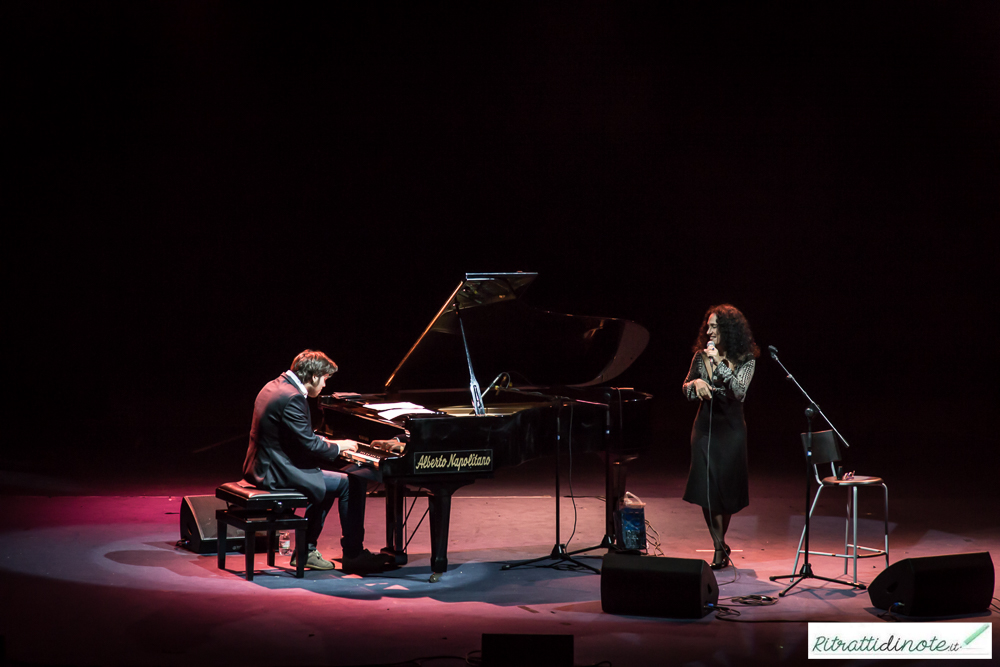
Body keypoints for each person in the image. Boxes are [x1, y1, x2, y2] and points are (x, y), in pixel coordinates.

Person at [242, 349, 394, 574]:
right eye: (324, 379)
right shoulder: (293, 397)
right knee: (350, 483)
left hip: (262, 466)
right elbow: (309, 444)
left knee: (323, 482)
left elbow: (297, 436)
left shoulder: (274, 386)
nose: (324, 385)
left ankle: (307, 550)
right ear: (313, 376)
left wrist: (328, 442)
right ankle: (353, 554)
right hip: (276, 472)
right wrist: (338, 446)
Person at [681, 305, 759, 570]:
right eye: (708, 325)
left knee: (725, 489)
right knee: (706, 488)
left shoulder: (746, 358)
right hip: (704, 428)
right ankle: (718, 546)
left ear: (728, 329)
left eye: (714, 326)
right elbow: (685, 388)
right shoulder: (699, 357)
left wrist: (718, 364)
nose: (708, 330)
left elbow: (739, 391)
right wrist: (696, 385)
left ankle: (721, 543)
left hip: (732, 431)